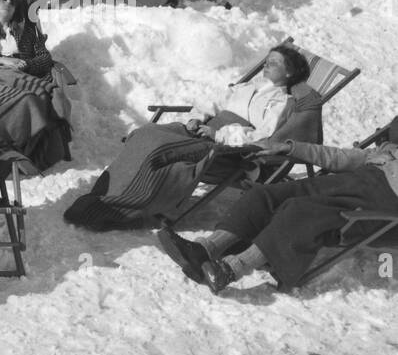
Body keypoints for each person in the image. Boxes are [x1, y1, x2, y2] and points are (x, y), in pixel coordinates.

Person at [64, 44, 318, 230]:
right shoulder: (248, 87)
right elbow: (214, 102)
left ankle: (123, 206)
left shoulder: (282, 103)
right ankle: (103, 197)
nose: (266, 64)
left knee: (158, 149)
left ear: (289, 73)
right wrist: (198, 118)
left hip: (229, 152)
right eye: (267, 60)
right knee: (145, 134)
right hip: (203, 133)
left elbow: (261, 138)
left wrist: (218, 134)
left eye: (274, 63)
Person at [157, 120, 398, 293]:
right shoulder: (389, 152)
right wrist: (290, 148)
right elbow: (340, 157)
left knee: (301, 212)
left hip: (381, 205)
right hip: (349, 182)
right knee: (264, 195)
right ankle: (205, 249)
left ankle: (230, 270)